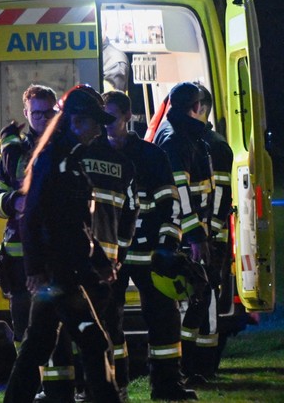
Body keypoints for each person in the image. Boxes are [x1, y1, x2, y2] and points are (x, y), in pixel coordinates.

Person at [3, 84, 121, 403]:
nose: (99, 129)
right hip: (58, 273)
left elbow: (76, 223)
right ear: (76, 121)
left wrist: (98, 259)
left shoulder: (70, 157)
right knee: (93, 341)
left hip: (63, 271)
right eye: (94, 121)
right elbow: (32, 216)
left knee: (38, 345)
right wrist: (35, 269)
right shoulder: (54, 160)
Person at [41, 87, 139, 403]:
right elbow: (129, 215)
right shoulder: (121, 163)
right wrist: (118, 255)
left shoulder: (68, 157)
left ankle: (95, 392)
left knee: (76, 334)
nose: (99, 128)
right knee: (103, 331)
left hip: (83, 261)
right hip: (99, 262)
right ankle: (111, 391)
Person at [103, 90, 197, 401]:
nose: (105, 126)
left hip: (149, 253)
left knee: (164, 318)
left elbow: (171, 204)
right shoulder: (95, 157)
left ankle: (168, 386)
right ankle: (115, 389)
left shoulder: (151, 155)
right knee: (107, 322)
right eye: (101, 119)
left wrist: (168, 246)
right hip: (110, 256)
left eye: (112, 118)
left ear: (127, 117)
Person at [0, 84, 57, 356]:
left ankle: (57, 384)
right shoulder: (14, 154)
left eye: (47, 112)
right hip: (18, 255)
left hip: (54, 250)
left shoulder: (63, 147)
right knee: (23, 322)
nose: (42, 118)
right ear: (26, 113)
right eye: (36, 113)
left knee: (57, 320)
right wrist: (13, 201)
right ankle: (26, 380)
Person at [152, 81, 214, 387]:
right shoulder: (177, 138)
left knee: (193, 298)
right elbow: (182, 191)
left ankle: (187, 367)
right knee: (193, 297)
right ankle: (186, 367)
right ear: (197, 106)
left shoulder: (177, 133)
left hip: (183, 230)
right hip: (182, 233)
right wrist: (195, 236)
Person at [191, 83, 232, 380]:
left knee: (208, 302)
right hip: (203, 236)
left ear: (201, 108)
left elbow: (219, 197)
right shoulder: (197, 141)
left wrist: (211, 237)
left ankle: (205, 363)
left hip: (210, 239)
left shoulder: (213, 145)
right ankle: (201, 362)